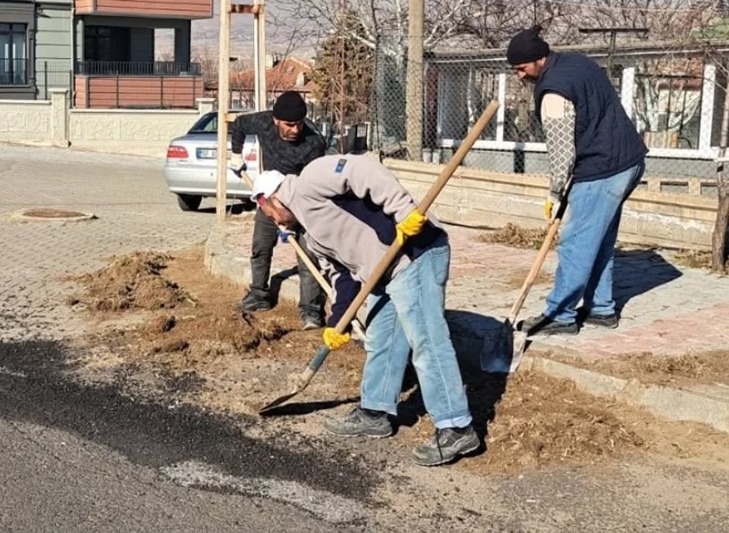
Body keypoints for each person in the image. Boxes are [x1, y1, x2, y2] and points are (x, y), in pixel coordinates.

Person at [250, 155, 480, 467]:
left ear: (271, 198)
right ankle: (375, 412)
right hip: (384, 272)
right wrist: (338, 321)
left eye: (269, 213)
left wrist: (403, 211)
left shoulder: (311, 179)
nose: (276, 222)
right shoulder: (310, 237)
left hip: (414, 253)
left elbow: (363, 170)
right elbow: (341, 277)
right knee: (381, 338)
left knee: (426, 340)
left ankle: (456, 426)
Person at [506, 26, 647, 335]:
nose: (519, 75)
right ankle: (600, 308)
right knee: (599, 238)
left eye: (521, 68)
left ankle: (560, 314)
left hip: (603, 168)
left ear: (539, 59)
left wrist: (555, 193)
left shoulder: (554, 91)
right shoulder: (576, 62)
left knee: (576, 242)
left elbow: (561, 151)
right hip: (629, 160)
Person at [230, 91, 328, 329]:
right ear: (276, 120)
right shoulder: (263, 122)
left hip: (302, 200)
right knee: (260, 247)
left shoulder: (313, 144)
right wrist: (236, 155)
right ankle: (259, 295)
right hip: (269, 192)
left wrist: (290, 219)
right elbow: (239, 125)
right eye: (289, 125)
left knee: (308, 258)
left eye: (299, 124)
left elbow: (311, 189)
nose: (295, 130)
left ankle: (311, 311)